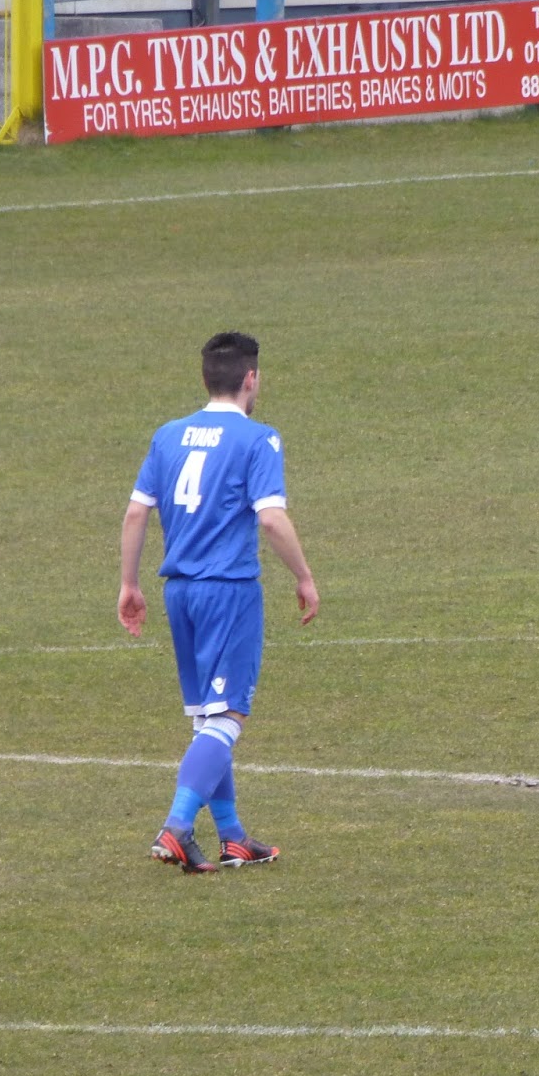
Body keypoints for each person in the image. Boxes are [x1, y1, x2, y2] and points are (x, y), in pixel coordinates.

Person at [119, 331, 320, 872]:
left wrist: (129, 584)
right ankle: (177, 827)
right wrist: (304, 575)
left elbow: (138, 512)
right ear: (250, 378)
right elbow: (271, 517)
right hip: (227, 592)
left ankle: (233, 836)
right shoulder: (258, 439)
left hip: (178, 593)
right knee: (227, 717)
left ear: (205, 377)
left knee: (208, 718)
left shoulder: (168, 435)